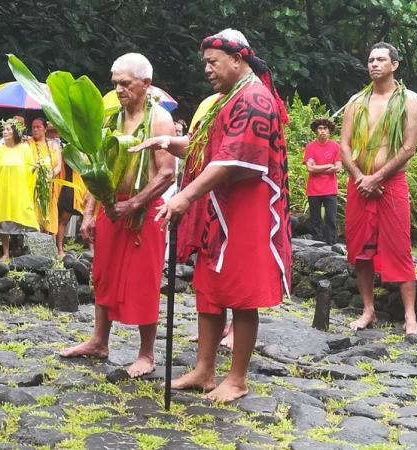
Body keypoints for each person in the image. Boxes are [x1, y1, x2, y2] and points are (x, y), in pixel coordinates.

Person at [132, 29, 291, 401]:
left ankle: (236, 378)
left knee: (241, 293)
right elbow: (207, 147)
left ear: (238, 60)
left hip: (246, 211)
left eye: (212, 62)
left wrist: (184, 197)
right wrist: (169, 142)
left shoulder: (254, 99)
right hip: (221, 210)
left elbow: (234, 161)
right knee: (210, 290)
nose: (207, 69)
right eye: (205, 62)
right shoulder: (227, 99)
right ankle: (204, 370)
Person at [60, 53, 176, 378]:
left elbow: (166, 174)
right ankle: (99, 341)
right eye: (115, 84)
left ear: (146, 84)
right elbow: (96, 169)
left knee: (143, 278)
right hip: (111, 206)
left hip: (143, 211)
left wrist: (135, 203)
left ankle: (146, 354)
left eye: (125, 84)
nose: (119, 90)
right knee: (104, 273)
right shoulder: (111, 119)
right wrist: (88, 213)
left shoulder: (159, 120)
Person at [340, 42, 417, 336]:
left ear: (395, 65)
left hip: (391, 184)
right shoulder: (356, 101)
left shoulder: (409, 100)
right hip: (359, 184)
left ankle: (410, 317)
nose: (374, 64)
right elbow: (345, 146)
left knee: (399, 246)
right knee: (361, 249)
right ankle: (368, 310)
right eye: (371, 60)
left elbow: (409, 147)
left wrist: (378, 178)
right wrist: (362, 177)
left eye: (381, 59)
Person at [0, 119, 38, 261]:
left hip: (19, 192)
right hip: (4, 192)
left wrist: (35, 168)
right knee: (4, 222)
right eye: (3, 129)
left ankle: (20, 250)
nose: (4, 132)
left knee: (20, 218)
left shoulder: (24, 148)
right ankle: (5, 253)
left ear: (15, 132)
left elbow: (30, 169)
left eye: (8, 129)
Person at [304, 118, 342, 245]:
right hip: (314, 189)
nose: (323, 131)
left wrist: (317, 169)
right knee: (315, 219)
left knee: (331, 218)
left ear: (329, 131)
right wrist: (328, 166)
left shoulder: (335, 146)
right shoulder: (310, 147)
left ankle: (332, 243)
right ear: (315, 131)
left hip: (330, 189)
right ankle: (317, 243)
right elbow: (310, 168)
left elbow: (338, 167)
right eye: (320, 128)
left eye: (325, 128)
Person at [30, 117, 63, 235]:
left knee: (50, 211)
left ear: (45, 129)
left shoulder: (53, 145)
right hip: (34, 185)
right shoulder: (29, 144)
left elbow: (58, 165)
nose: (35, 130)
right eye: (33, 127)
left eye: (38, 127)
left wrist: (49, 176)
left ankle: (49, 242)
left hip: (50, 184)